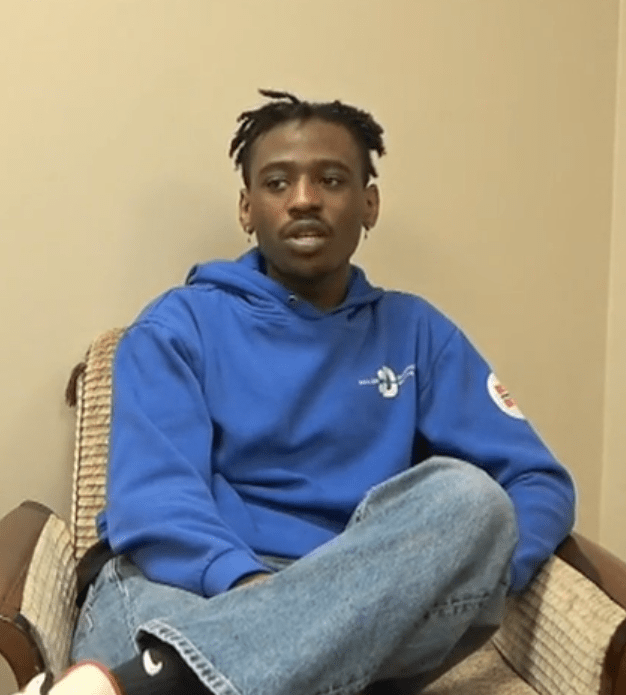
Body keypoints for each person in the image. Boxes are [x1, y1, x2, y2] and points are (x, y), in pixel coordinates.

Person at [16, 90, 575, 695]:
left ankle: (153, 683)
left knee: (472, 498)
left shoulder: (419, 332)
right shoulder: (177, 327)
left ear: (369, 204)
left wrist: (473, 574)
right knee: (204, 623)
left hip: (356, 595)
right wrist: (263, 604)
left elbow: (536, 482)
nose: (304, 199)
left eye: (330, 180)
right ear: (247, 208)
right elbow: (156, 505)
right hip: (188, 587)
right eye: (278, 183)